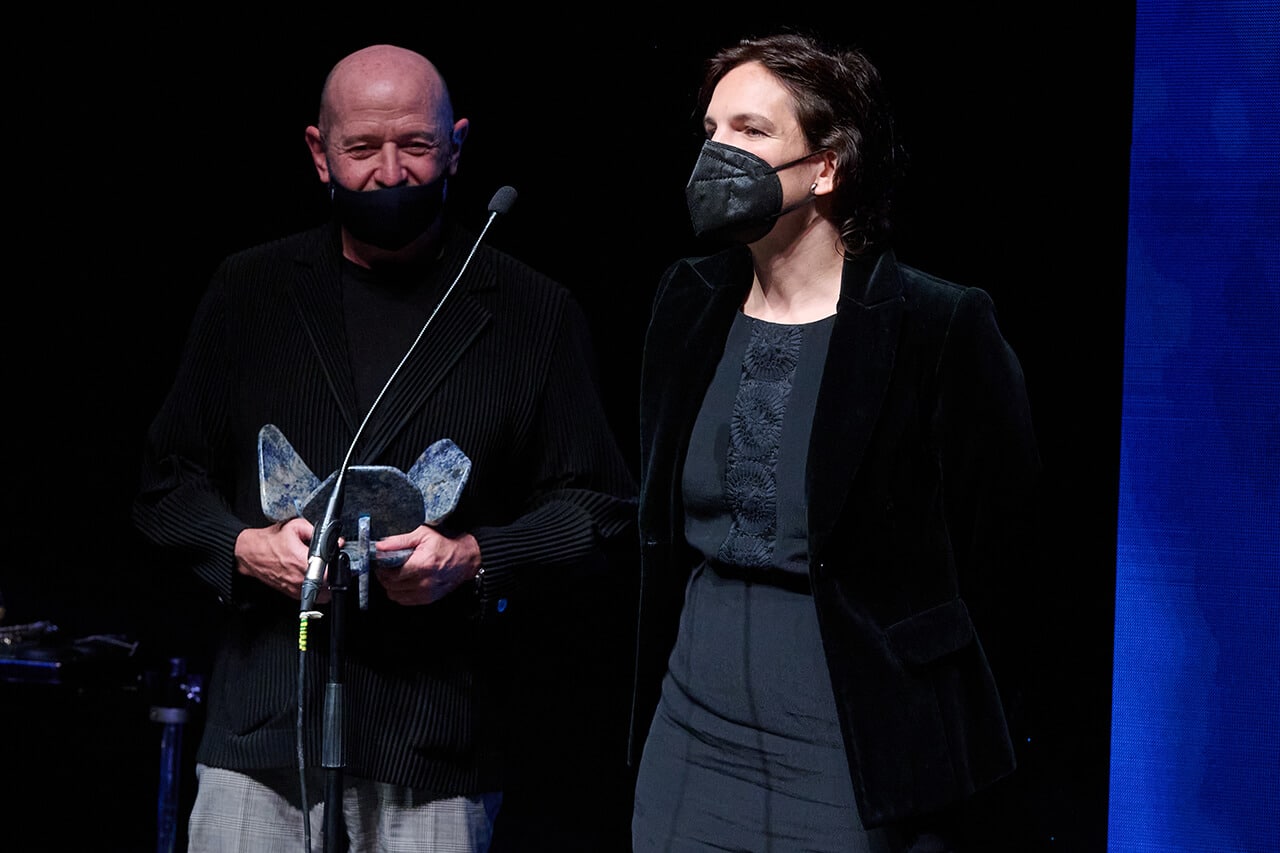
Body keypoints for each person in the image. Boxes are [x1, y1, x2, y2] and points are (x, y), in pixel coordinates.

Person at [133, 43, 637, 852]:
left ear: (457, 146)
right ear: (319, 153)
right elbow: (165, 484)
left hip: (435, 741)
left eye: (417, 145)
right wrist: (242, 546)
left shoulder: (533, 312)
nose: (391, 173)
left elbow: (602, 511)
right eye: (363, 148)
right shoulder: (249, 291)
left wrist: (473, 558)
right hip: (263, 728)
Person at [628, 32, 1042, 852]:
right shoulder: (689, 300)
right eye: (711, 131)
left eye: (750, 131)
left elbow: (1005, 555)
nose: (717, 154)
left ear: (825, 167)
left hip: (849, 742)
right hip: (691, 731)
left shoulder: (937, 324)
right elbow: (654, 518)